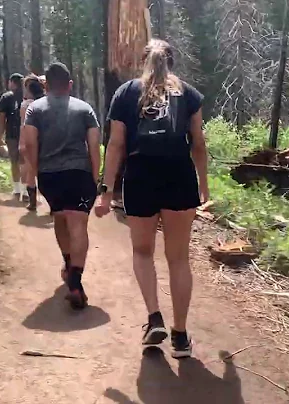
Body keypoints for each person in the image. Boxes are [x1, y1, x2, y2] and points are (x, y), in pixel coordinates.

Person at [95, 39, 209, 358]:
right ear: (171, 63)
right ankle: (181, 336)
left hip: (141, 175)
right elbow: (198, 144)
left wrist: (105, 192)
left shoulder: (126, 92)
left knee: (143, 252)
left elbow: (115, 145)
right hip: (179, 176)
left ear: (141, 62)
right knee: (179, 259)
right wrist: (204, 187)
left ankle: (154, 317)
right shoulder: (188, 93)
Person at [21, 63, 101, 310]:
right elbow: (94, 145)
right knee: (78, 223)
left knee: (60, 217)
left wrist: (34, 172)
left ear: (46, 85)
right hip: (79, 174)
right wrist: (96, 177)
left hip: (49, 175)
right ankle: (75, 280)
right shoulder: (85, 109)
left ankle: (68, 263)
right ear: (69, 85)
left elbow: (29, 144)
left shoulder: (35, 109)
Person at [19, 74, 46, 211]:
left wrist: (22, 143)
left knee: (31, 171)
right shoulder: (47, 102)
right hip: (47, 140)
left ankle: (33, 202)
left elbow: (24, 126)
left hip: (31, 141)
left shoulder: (26, 105)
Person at [0, 73, 25, 198]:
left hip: (12, 135)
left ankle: (17, 189)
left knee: (14, 161)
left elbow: (2, 118)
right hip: (27, 134)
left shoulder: (6, 97)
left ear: (12, 82)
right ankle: (26, 188)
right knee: (25, 161)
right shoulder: (28, 96)